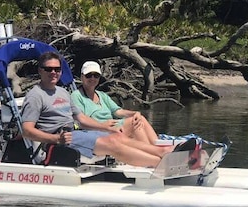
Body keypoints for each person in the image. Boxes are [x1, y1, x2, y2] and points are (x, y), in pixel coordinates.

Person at [21, 51, 175, 167]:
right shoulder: (35, 96)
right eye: (48, 69)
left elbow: (81, 118)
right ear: (40, 70)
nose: (53, 72)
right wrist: (55, 139)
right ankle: (159, 163)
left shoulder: (62, 92)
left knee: (117, 137)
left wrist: (104, 127)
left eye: (57, 69)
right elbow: (27, 131)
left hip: (74, 134)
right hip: (56, 142)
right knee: (112, 145)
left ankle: (162, 152)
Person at [71, 61, 158, 145]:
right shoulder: (77, 96)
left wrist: (135, 113)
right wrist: (102, 126)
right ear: (82, 77)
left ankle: (157, 146)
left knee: (139, 119)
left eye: (96, 75)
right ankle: (153, 152)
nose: (93, 78)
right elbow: (80, 121)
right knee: (134, 123)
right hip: (97, 130)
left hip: (112, 126)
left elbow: (118, 112)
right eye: (89, 75)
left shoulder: (102, 95)